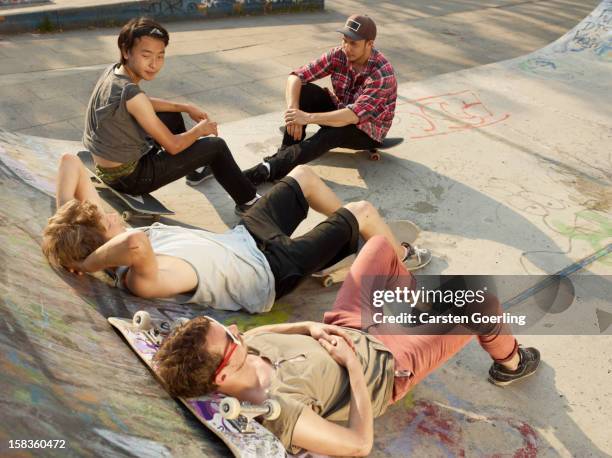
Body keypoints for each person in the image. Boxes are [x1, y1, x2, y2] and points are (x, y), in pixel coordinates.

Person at [153, 236, 541, 456]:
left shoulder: (243, 349)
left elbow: (265, 336)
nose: (237, 330)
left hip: (347, 327)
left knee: (379, 248)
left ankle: (412, 310)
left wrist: (309, 327)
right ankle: (511, 361)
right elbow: (358, 445)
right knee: (477, 300)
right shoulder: (277, 407)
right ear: (222, 374)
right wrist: (353, 366)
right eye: (230, 337)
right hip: (387, 365)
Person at [41, 153, 431, 313]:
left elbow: (70, 162)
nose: (112, 215)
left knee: (303, 177)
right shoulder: (138, 276)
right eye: (104, 220)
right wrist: (87, 262)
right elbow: (135, 244)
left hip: (245, 239)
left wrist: (65, 220)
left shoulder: (115, 237)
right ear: (101, 247)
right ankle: (406, 275)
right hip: (271, 272)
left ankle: (346, 237)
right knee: (361, 210)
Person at [83, 17, 259, 214]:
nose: (154, 64)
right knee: (215, 147)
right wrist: (199, 131)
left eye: (160, 56)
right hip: (129, 177)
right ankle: (249, 201)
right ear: (126, 51)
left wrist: (183, 107)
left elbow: (142, 103)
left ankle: (196, 171)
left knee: (171, 115)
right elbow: (173, 146)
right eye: (146, 55)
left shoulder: (114, 73)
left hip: (107, 164)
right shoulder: (132, 94)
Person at [244, 14, 397, 185]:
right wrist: (294, 112)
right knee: (305, 90)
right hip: (341, 110)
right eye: (344, 40)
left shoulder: (382, 74)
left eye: (353, 43)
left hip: (366, 130)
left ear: (370, 44)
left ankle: (267, 169)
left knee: (335, 132)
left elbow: (352, 116)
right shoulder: (339, 55)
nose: (346, 47)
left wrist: (307, 117)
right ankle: (285, 157)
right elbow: (295, 76)